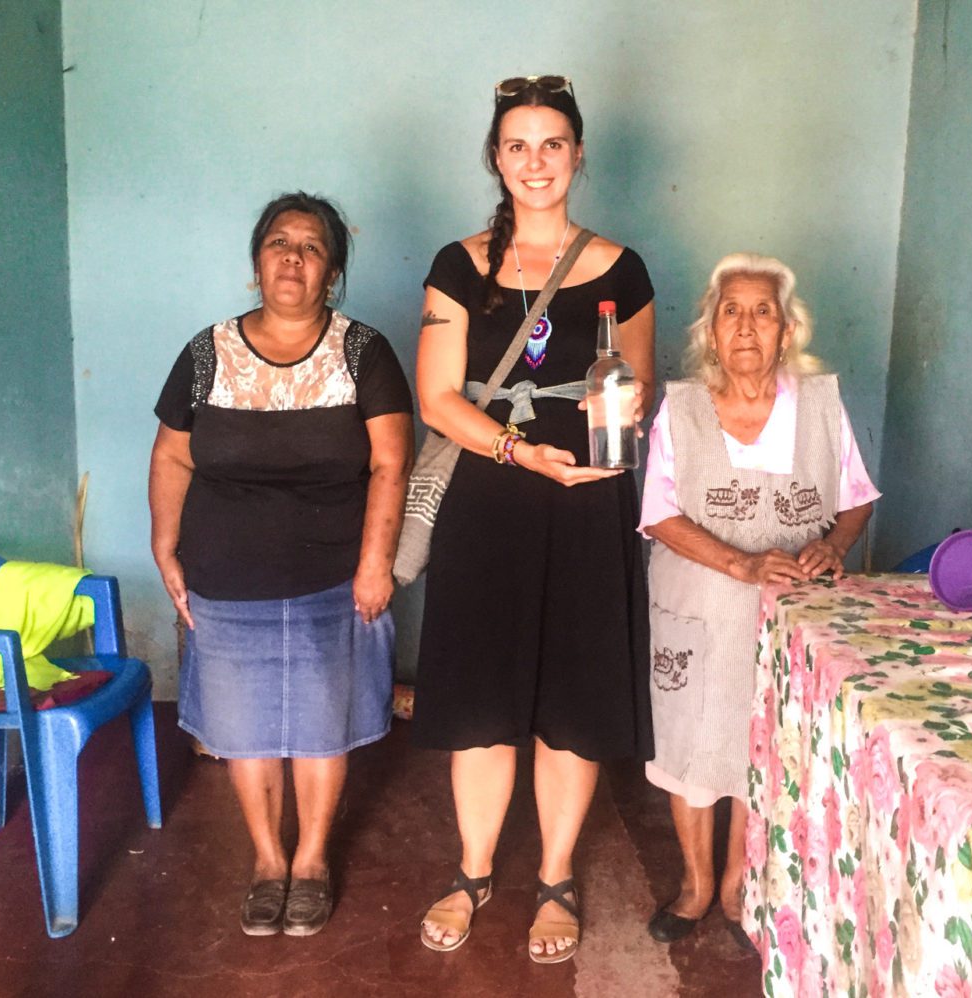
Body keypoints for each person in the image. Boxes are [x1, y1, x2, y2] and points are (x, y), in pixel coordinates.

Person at [411, 75, 655, 964]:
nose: (535, 161)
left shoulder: (622, 269)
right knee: (481, 694)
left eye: (552, 143)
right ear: (495, 157)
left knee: (573, 698)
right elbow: (437, 398)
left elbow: (636, 387)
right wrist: (518, 452)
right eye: (517, 145)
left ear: (578, 154)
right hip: (491, 502)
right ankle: (473, 870)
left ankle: (554, 876)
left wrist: (603, 432)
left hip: (587, 504)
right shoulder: (459, 264)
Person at [148, 191, 413, 938]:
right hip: (225, 578)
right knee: (246, 728)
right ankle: (268, 859)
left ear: (331, 273)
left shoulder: (363, 352)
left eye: (311, 247)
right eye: (278, 242)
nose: (292, 257)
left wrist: (374, 565)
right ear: (256, 262)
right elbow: (172, 453)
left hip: (334, 577)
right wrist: (164, 544)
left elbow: (392, 463)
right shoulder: (207, 353)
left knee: (321, 724)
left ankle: (313, 861)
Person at [640, 253, 878, 949]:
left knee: (762, 734)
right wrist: (740, 562)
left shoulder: (819, 408)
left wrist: (832, 546)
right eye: (731, 312)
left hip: (790, 612)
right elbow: (657, 514)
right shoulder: (680, 409)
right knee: (690, 735)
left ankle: (741, 881)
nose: (746, 326)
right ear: (711, 332)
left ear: (786, 331)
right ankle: (693, 882)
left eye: (762, 312)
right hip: (696, 602)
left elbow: (856, 501)